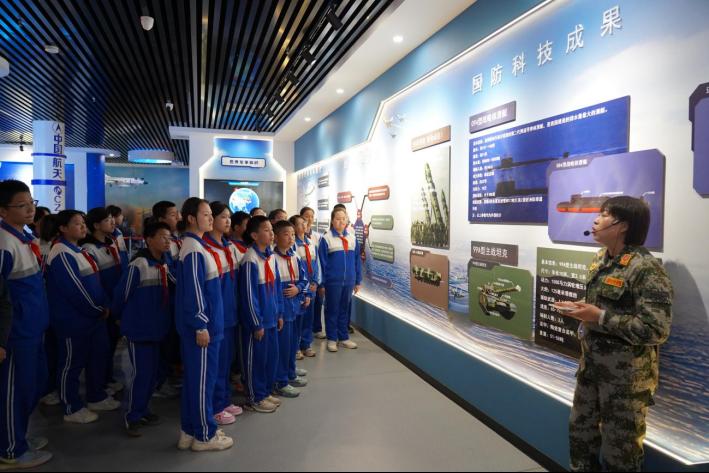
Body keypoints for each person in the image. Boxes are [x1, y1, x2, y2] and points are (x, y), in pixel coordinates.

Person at [555, 196, 673, 472]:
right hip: (591, 369)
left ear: (623, 225)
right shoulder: (600, 259)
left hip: (625, 382)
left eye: (605, 214)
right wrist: (579, 310)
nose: (596, 220)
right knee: (580, 438)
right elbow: (600, 307)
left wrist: (599, 316)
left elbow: (656, 330)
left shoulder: (646, 268)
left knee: (620, 454)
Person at [46, 210, 120, 425]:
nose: (83, 227)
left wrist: (104, 306)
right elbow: (76, 291)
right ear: (63, 228)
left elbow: (96, 282)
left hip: (94, 318)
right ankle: (71, 407)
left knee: (98, 355)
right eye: (77, 224)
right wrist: (97, 309)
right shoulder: (61, 253)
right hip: (73, 321)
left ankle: (96, 396)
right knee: (71, 364)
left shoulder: (78, 250)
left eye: (83, 223)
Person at [0, 181, 52, 469]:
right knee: (13, 392)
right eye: (22, 205)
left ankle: (16, 436)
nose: (30, 208)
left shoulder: (24, 237)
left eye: (31, 202)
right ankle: (10, 449)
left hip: (33, 328)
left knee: (33, 385)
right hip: (15, 334)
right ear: (3, 211)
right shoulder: (4, 244)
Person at [174, 198, 232, 452]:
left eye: (210, 214)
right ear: (191, 218)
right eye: (206, 214)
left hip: (207, 326)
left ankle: (189, 430)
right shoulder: (194, 249)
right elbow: (195, 292)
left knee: (195, 381)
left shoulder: (195, 246)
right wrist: (200, 324)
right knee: (202, 383)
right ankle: (204, 435)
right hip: (202, 328)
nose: (210, 218)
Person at [112, 222, 175, 438]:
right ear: (149, 240)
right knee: (141, 374)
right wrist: (118, 317)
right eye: (162, 237)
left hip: (158, 328)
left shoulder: (165, 263)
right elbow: (122, 294)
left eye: (169, 237)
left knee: (153, 373)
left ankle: (144, 410)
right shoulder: (139, 264)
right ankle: (132, 416)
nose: (167, 241)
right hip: (139, 329)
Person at [238, 216, 284, 413]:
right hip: (258, 323)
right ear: (254, 235)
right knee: (255, 361)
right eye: (266, 230)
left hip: (271, 318)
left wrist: (279, 313)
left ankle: (264, 391)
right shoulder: (250, 259)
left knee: (269, 358)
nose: (271, 233)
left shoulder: (271, 257)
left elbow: (277, 287)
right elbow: (249, 296)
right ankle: (254, 397)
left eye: (271, 229)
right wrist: (256, 323)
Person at [204, 202, 243, 426]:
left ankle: (224, 399)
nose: (227, 221)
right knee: (215, 365)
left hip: (230, 313)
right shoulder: (206, 249)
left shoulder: (228, 246)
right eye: (222, 217)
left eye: (229, 217)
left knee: (226, 361)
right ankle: (214, 407)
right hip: (215, 316)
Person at [81, 208, 126, 395]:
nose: (113, 222)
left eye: (112, 219)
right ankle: (98, 386)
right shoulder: (89, 249)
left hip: (115, 302)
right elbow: (95, 282)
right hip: (104, 305)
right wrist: (106, 303)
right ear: (96, 225)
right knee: (100, 349)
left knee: (112, 344)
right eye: (107, 220)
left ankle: (107, 378)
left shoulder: (111, 242)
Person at [273, 221, 310, 399]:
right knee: (283, 347)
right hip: (283, 311)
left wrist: (299, 290)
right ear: (276, 237)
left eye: (293, 234)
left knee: (293, 344)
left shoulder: (294, 256)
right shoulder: (273, 259)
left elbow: (304, 279)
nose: (291, 238)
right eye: (286, 234)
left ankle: (290, 372)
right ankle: (281, 381)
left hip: (295, 308)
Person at [318, 208, 362, 353]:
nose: (341, 221)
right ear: (332, 220)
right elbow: (322, 263)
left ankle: (343, 338)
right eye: (338, 219)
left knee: (344, 309)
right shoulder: (326, 238)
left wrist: (357, 281)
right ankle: (332, 338)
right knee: (332, 310)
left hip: (349, 281)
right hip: (332, 282)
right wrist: (322, 283)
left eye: (344, 218)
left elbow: (357, 261)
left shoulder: (352, 238)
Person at [291, 215, 319, 358]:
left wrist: (315, 282)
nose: (304, 225)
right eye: (300, 223)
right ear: (294, 227)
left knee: (309, 318)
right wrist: (305, 286)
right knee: (298, 319)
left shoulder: (310, 243)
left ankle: (306, 344)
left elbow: (316, 265)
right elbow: (296, 270)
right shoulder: (293, 245)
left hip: (311, 287)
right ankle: (295, 347)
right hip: (301, 288)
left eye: (305, 223)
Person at [300, 207, 325, 340]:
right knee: (305, 306)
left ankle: (317, 328)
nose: (309, 219)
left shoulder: (317, 236)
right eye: (306, 216)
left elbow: (319, 260)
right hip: (303, 281)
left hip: (315, 277)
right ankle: (303, 337)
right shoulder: (296, 240)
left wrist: (318, 281)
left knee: (317, 303)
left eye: (311, 216)